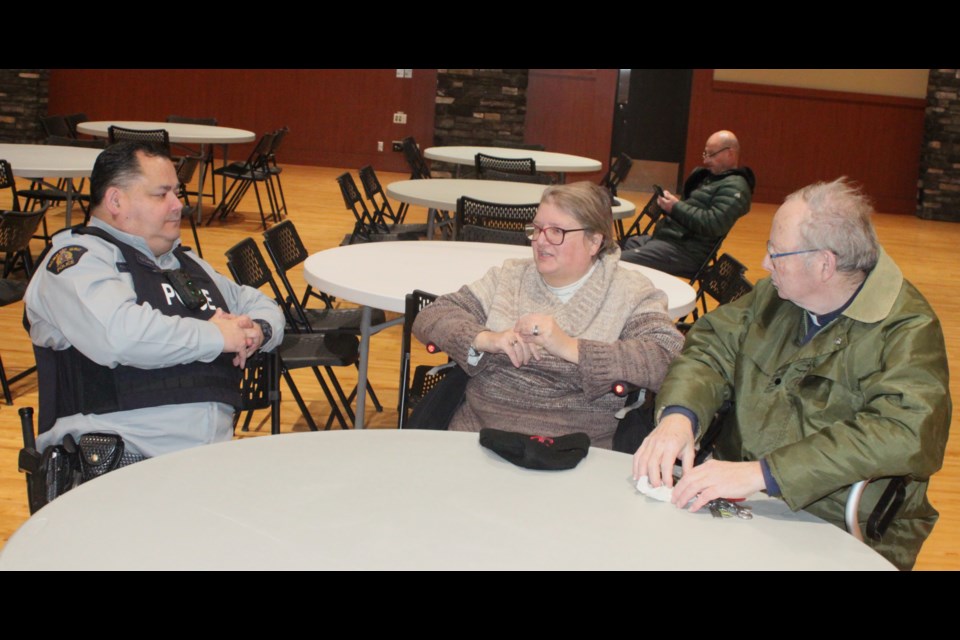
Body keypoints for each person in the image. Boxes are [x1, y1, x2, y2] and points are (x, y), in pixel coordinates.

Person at [632, 178, 951, 570]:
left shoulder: (908, 330)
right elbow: (711, 345)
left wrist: (766, 473)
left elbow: (905, 432)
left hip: (837, 522)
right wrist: (681, 414)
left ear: (824, 264)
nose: (765, 264)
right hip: (741, 495)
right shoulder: (777, 296)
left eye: (776, 252)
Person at [25, 141, 285, 460]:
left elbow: (260, 304)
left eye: (177, 192)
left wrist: (256, 331)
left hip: (210, 459)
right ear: (116, 200)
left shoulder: (183, 263)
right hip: (119, 461)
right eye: (161, 194)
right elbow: (120, 335)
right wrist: (218, 336)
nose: (177, 205)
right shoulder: (78, 263)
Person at [413, 182, 684, 449]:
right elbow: (432, 316)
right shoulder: (509, 277)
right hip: (478, 436)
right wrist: (485, 339)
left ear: (594, 241)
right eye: (537, 229)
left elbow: (667, 356)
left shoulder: (629, 291)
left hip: (574, 451)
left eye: (556, 231)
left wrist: (570, 347)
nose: (540, 241)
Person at [621, 130, 755, 278]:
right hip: (665, 240)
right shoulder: (709, 178)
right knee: (608, 249)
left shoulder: (737, 188)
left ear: (730, 153)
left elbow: (713, 224)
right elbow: (688, 210)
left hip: (685, 252)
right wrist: (670, 205)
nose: (706, 161)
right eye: (705, 154)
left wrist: (675, 207)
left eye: (711, 155)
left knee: (616, 262)